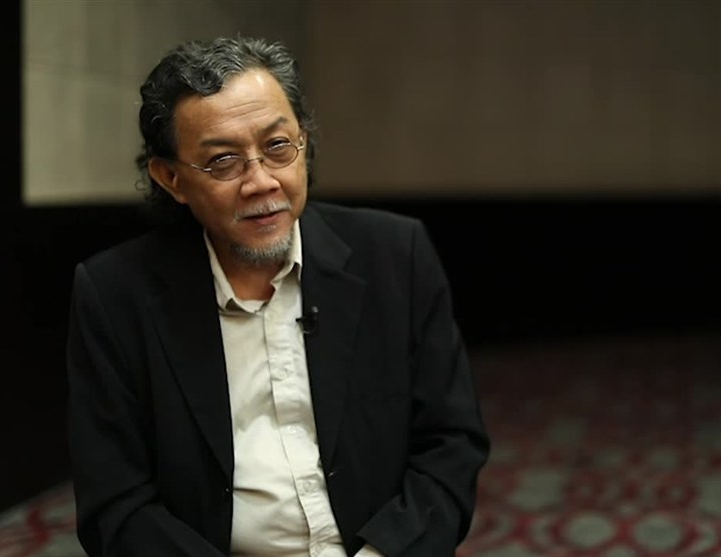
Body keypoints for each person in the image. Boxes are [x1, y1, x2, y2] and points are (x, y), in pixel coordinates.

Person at [66, 36, 489, 557]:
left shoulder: (395, 256)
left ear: (303, 143)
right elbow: (116, 504)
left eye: (277, 146)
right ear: (171, 178)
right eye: (224, 161)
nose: (261, 182)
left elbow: (451, 445)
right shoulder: (115, 295)